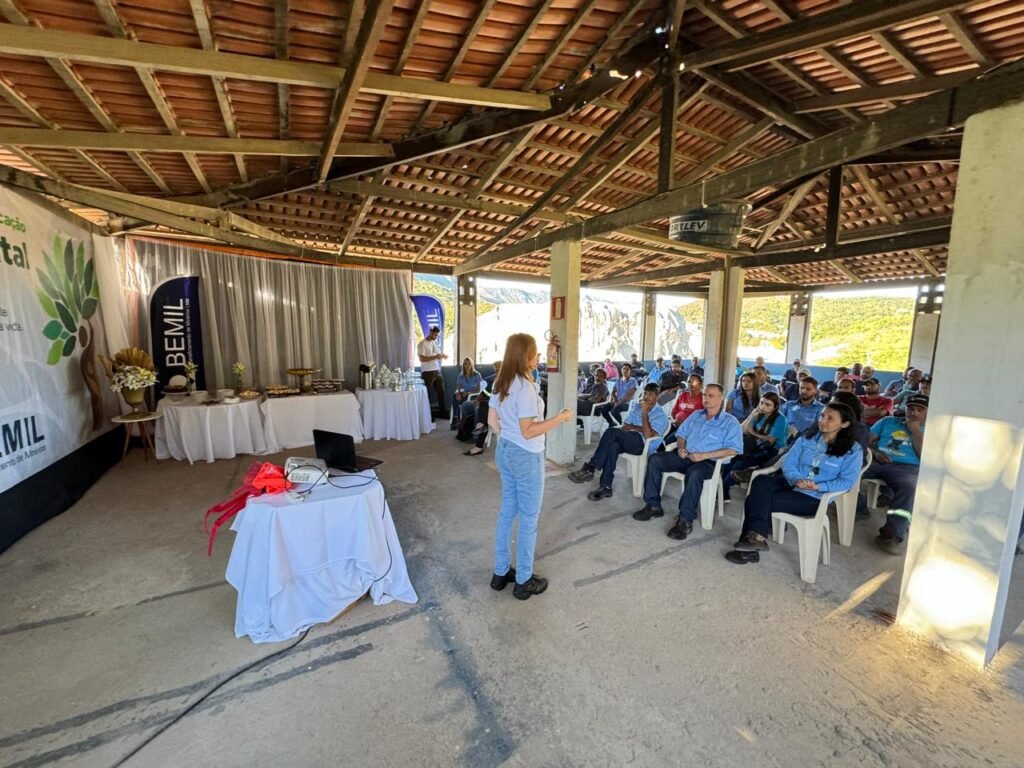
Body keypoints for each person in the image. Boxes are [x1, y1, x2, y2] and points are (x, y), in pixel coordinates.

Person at [489, 333, 573, 600]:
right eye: (535, 353)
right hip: (526, 455)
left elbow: (493, 420)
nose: (538, 357)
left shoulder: (501, 381)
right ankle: (524, 580)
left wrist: (508, 437)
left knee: (507, 512)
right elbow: (529, 431)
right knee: (528, 520)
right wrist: (560, 419)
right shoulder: (524, 388)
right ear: (525, 356)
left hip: (505, 451)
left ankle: (500, 572)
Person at [726, 402, 862, 562]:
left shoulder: (853, 450)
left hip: (814, 496)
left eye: (830, 418)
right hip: (791, 482)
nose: (822, 420)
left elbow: (847, 482)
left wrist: (818, 486)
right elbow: (789, 462)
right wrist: (796, 478)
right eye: (822, 415)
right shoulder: (808, 438)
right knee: (761, 481)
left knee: (755, 499)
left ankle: (751, 547)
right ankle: (754, 541)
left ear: (844, 424)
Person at [633, 384, 742, 539]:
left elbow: (734, 450)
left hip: (708, 462)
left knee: (695, 472)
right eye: (705, 395)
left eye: (711, 396)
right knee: (655, 459)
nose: (706, 399)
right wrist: (681, 448)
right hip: (686, 456)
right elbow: (681, 434)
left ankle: (685, 519)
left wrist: (704, 456)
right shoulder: (696, 415)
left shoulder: (730, 422)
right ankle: (653, 505)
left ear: (721, 398)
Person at [567, 382, 669, 501]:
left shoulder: (660, 415)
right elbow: (625, 426)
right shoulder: (637, 406)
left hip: (643, 444)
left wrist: (644, 414)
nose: (646, 397)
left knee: (611, 432)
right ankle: (606, 486)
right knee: (613, 446)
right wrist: (638, 427)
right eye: (645, 393)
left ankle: (591, 467)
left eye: (650, 394)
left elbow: (647, 436)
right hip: (628, 437)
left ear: (657, 396)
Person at [865, 395, 929, 555]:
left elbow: (924, 456)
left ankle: (891, 535)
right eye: (910, 408)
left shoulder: (931, 430)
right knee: (850, 471)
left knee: (908, 488)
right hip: (878, 460)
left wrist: (915, 430)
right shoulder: (888, 421)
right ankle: (859, 508)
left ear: (928, 413)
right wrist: (875, 452)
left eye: (920, 410)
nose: (914, 412)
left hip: (907, 467)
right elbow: (866, 441)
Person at [723, 393, 789, 500]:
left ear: (775, 407)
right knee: (729, 458)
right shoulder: (758, 414)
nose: (763, 406)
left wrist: (752, 432)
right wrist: (751, 416)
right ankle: (723, 490)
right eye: (762, 403)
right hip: (755, 447)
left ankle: (723, 488)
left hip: (771, 452)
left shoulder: (780, 419)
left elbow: (770, 440)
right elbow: (742, 430)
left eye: (768, 405)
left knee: (740, 463)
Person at [417, 326, 448, 419]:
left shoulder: (434, 342)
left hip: (436, 370)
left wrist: (442, 356)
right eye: (434, 335)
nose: (435, 337)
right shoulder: (422, 344)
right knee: (428, 394)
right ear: (430, 332)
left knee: (441, 391)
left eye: (437, 335)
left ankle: (443, 412)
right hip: (427, 372)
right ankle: (427, 415)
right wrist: (435, 357)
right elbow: (421, 359)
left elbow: (437, 354)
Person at [664, 373, 704, 445]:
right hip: (675, 424)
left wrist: (683, 424)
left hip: (689, 429)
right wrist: (674, 420)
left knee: (667, 442)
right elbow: (674, 412)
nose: (690, 384)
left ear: (700, 384)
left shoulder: (703, 399)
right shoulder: (683, 395)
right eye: (689, 381)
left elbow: (702, 420)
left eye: (693, 381)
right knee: (659, 437)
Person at [451, 358, 483, 428]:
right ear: (463, 365)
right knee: (454, 396)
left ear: (472, 365)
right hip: (464, 393)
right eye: (465, 364)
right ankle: (455, 418)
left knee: (464, 401)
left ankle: (463, 420)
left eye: (469, 364)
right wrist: (458, 393)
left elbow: (478, 390)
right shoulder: (460, 375)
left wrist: (468, 393)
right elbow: (458, 388)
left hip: (473, 395)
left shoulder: (477, 374)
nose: (467, 365)